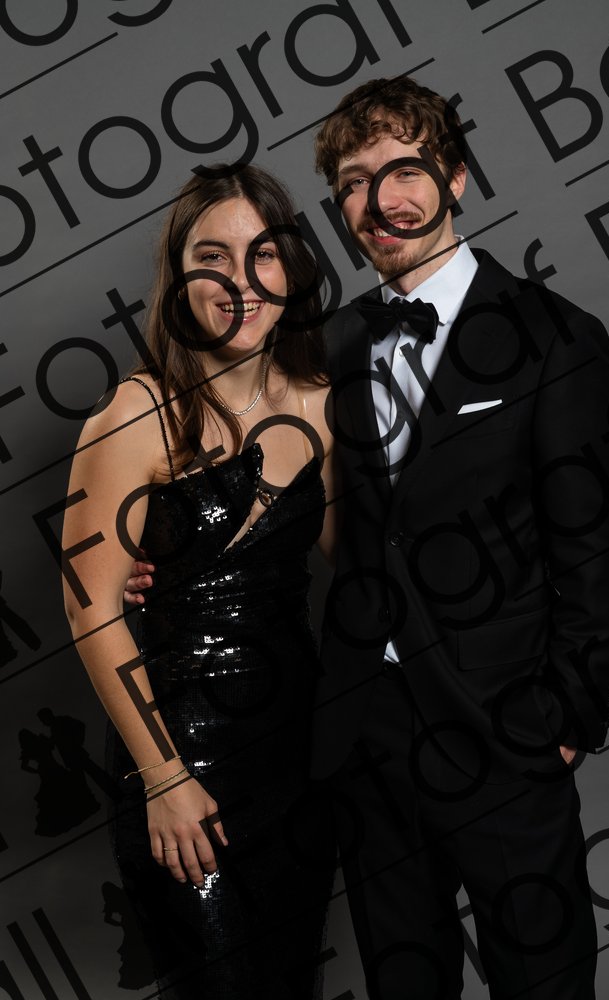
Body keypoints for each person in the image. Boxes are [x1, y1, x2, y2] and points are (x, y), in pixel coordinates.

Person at [126, 77, 609, 999]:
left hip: (505, 728)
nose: (380, 200)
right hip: (367, 735)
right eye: (354, 182)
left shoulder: (556, 338)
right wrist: (168, 563)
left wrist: (565, 719)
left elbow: (593, 547)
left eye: (404, 169)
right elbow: (277, 496)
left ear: (457, 177)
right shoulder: (328, 348)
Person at [63, 163, 336, 1000]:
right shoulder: (134, 412)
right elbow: (91, 613)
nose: (240, 281)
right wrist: (165, 778)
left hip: (298, 756)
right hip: (183, 753)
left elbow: (370, 573)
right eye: (212, 257)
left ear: (292, 269)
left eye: (263, 254)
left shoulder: (325, 405)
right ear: (179, 278)